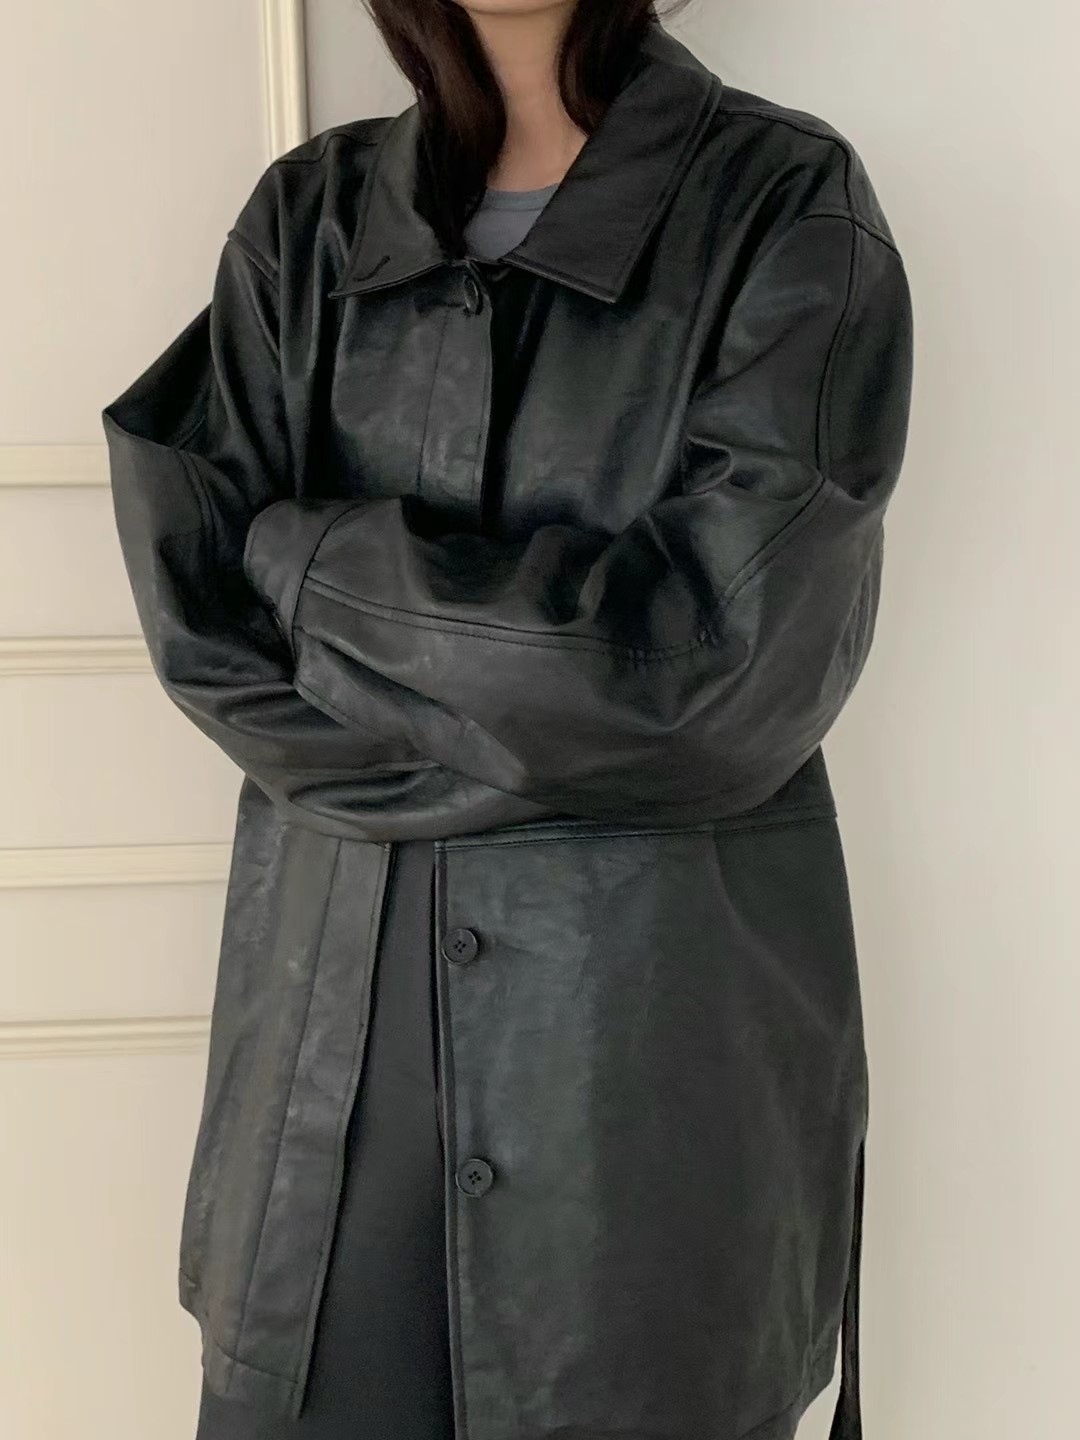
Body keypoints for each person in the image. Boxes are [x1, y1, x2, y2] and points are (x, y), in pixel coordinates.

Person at [101, 2, 914, 1438]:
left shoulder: (784, 206)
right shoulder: (308, 222)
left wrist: (312, 560)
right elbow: (202, 623)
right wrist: (561, 739)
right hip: (322, 1117)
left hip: (641, 1122)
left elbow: (719, 674)